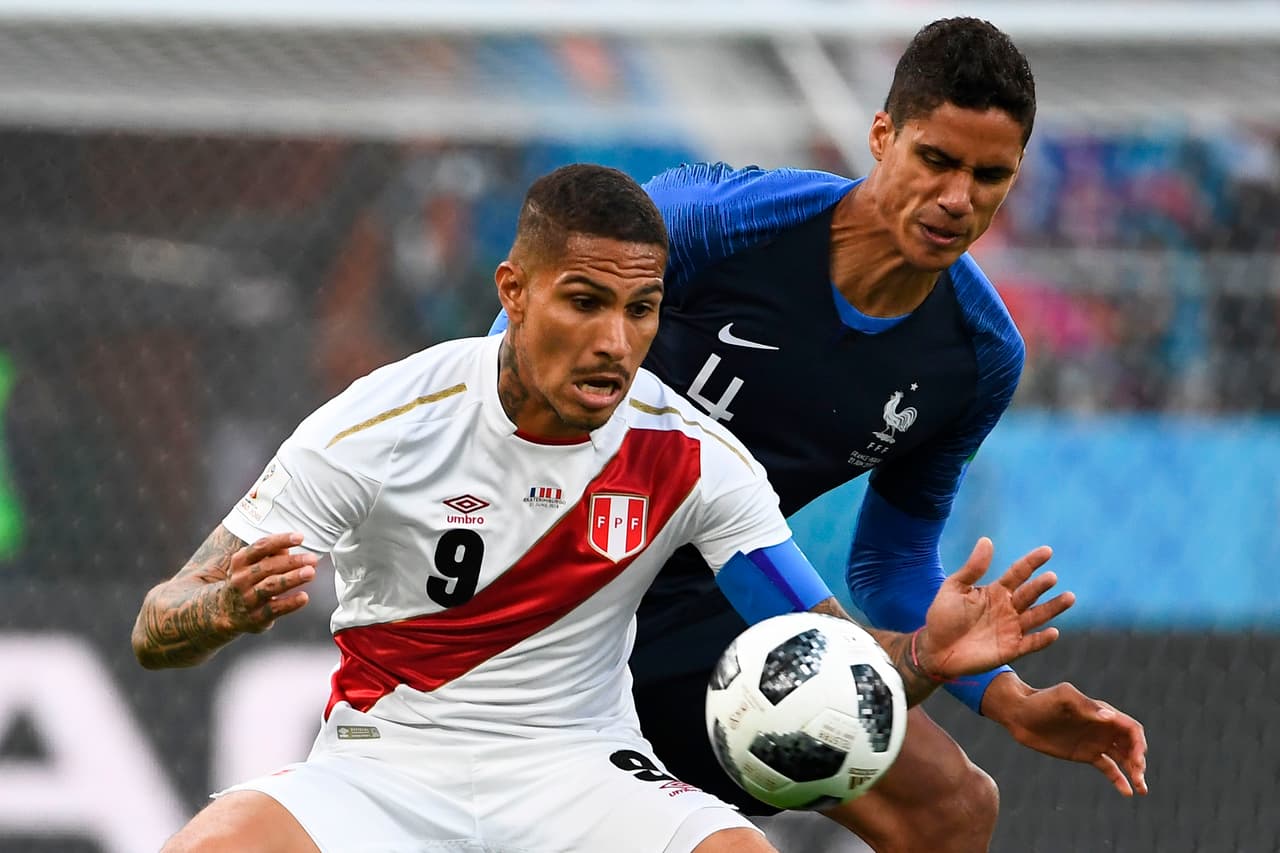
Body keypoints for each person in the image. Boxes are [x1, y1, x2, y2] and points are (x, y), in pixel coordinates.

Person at [132, 163, 1074, 853]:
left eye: (642, 310)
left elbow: (815, 649)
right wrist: (219, 608)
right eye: (585, 302)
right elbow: (155, 624)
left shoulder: (696, 455)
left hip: (578, 768)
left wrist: (921, 658)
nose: (615, 342)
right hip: (386, 766)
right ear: (514, 292)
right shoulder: (383, 420)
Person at [560, 17, 1148, 853]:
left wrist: (1008, 697)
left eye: (990, 176)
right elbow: (532, 344)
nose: (958, 198)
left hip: (711, 613)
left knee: (951, 805)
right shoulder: (717, 224)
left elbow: (892, 561)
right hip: (550, 577)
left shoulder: (977, 355)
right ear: (881, 136)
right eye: (936, 160)